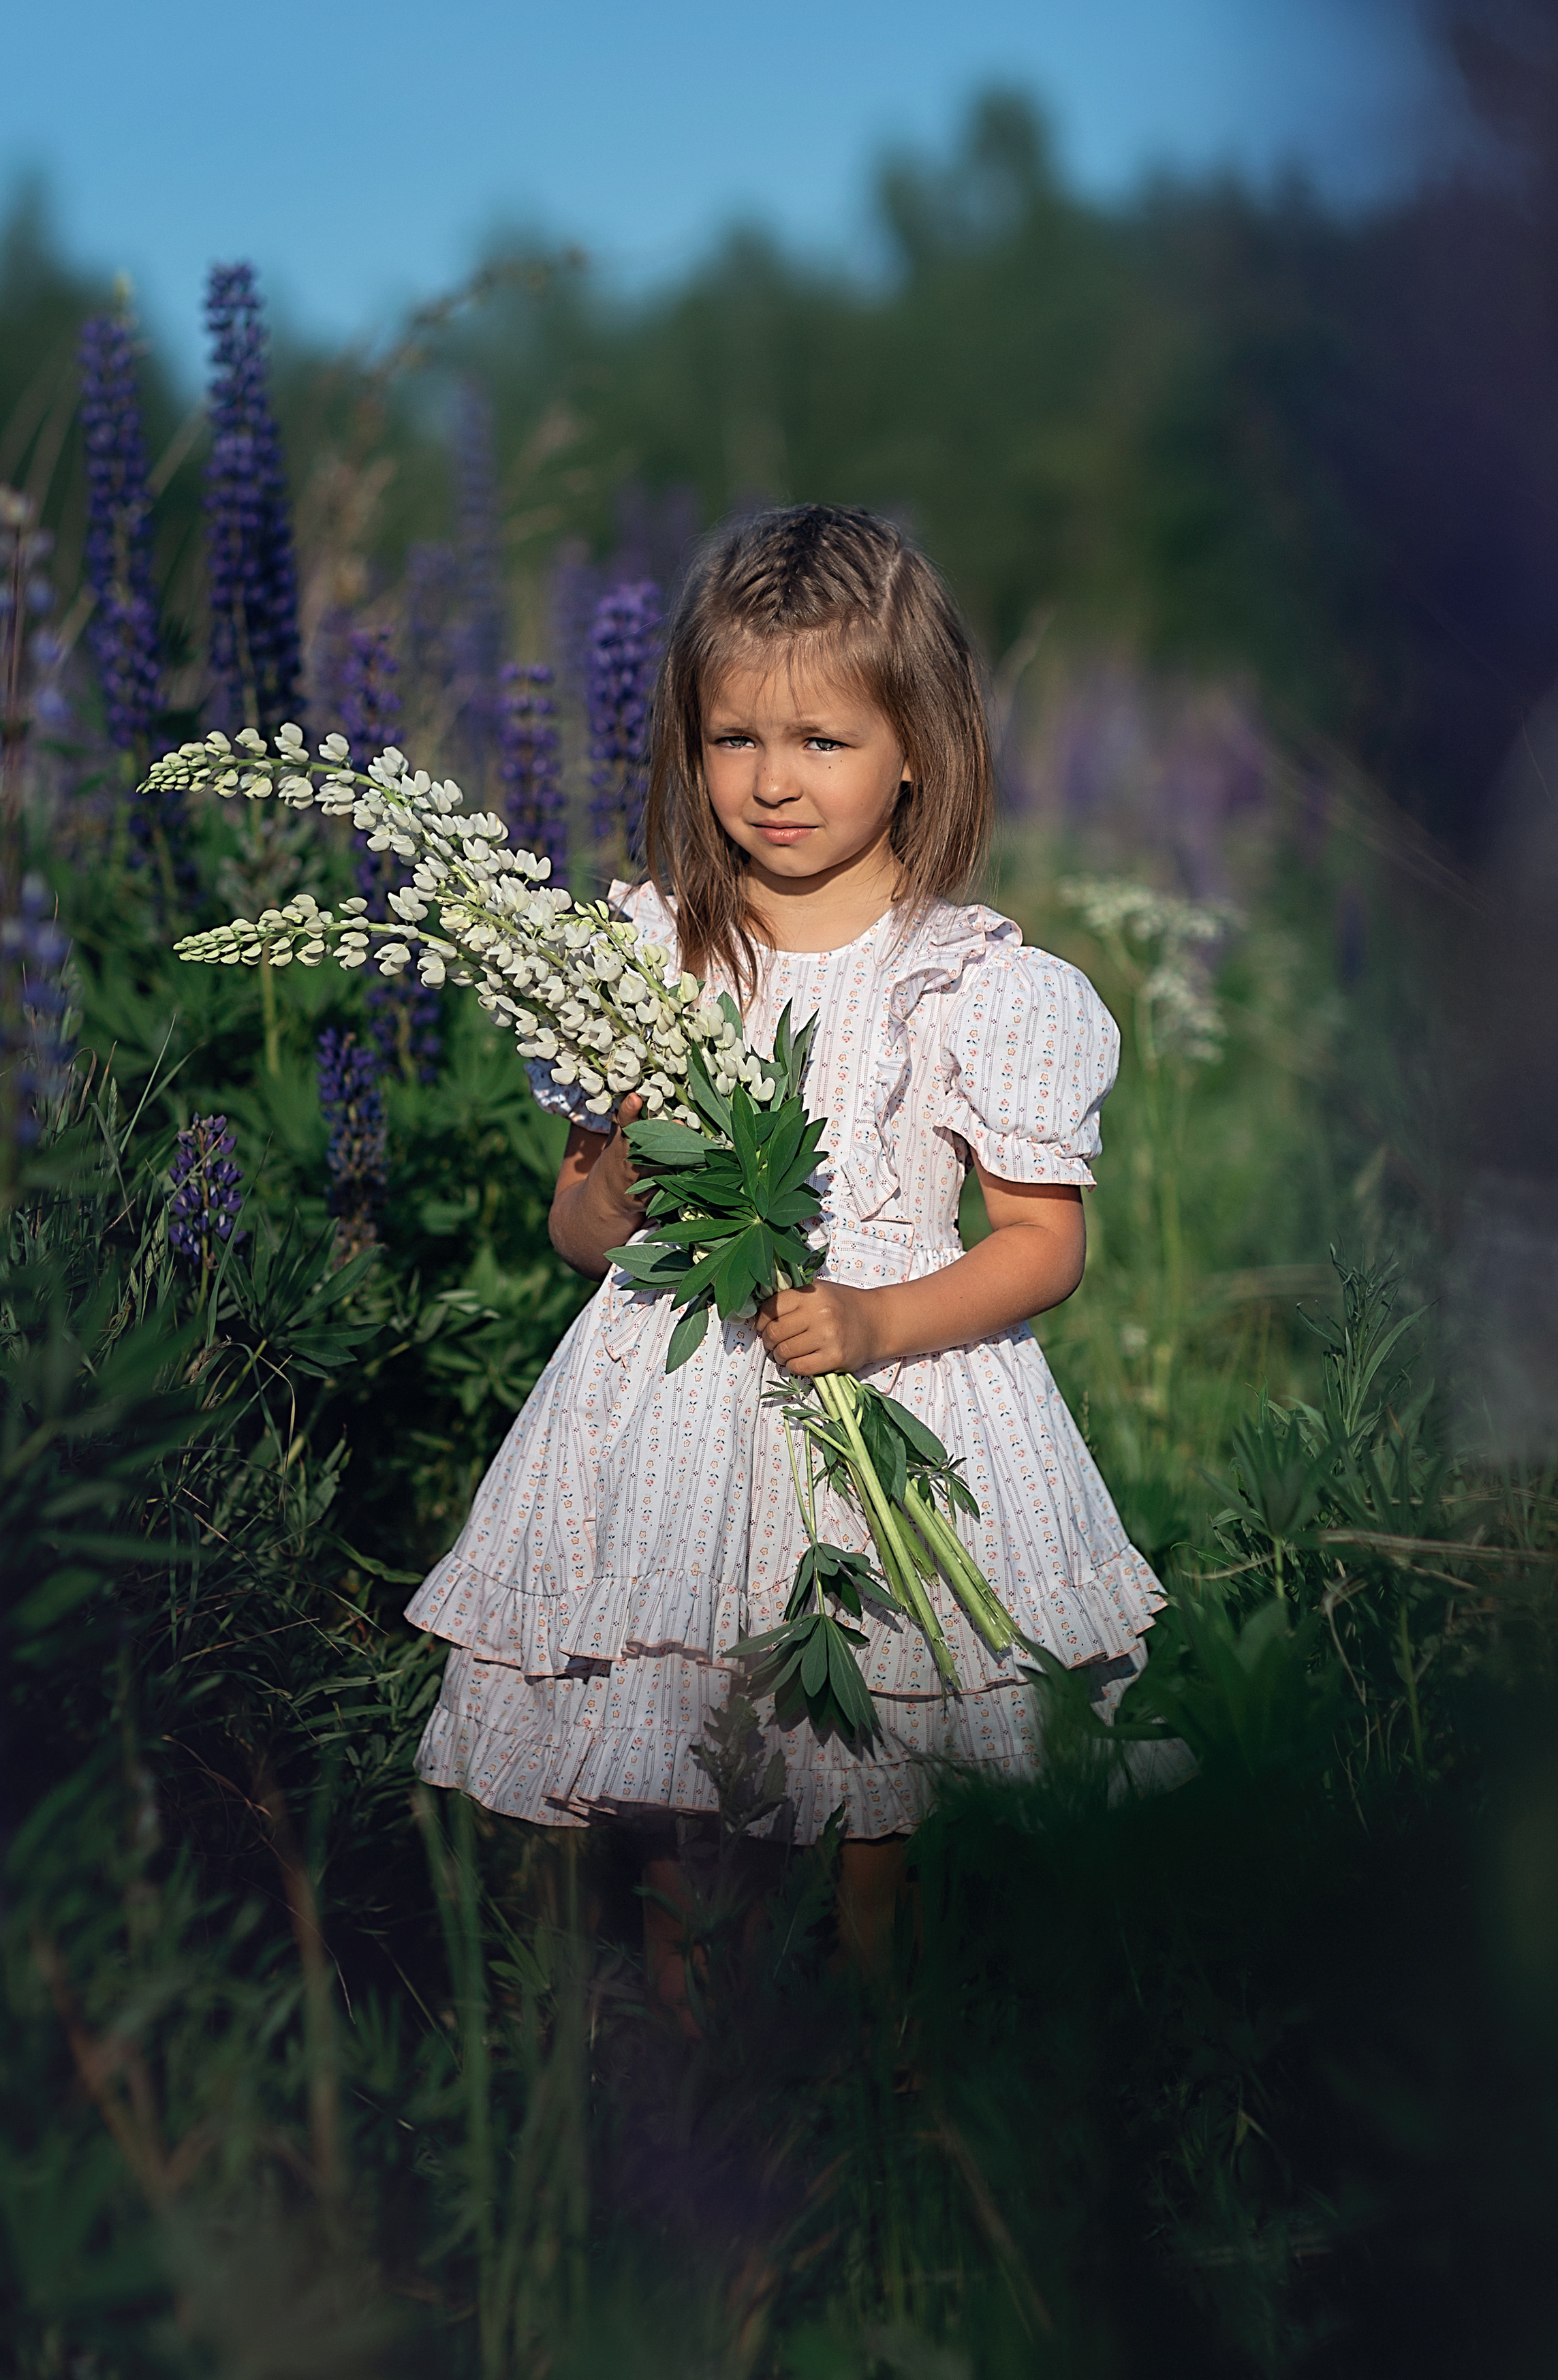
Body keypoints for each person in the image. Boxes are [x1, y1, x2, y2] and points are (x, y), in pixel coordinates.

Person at [405, 504, 1164, 1998]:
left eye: (819, 741)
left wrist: (879, 1321)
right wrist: (616, 1174)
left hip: (897, 1389)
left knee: (880, 1771)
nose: (770, 780)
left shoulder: (968, 979)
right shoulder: (642, 950)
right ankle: (702, 2090)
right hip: (671, 1404)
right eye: (731, 738)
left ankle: (886, 2079)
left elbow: (1039, 1249)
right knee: (682, 1792)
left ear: (914, 751)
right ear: (686, 747)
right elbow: (574, 1227)